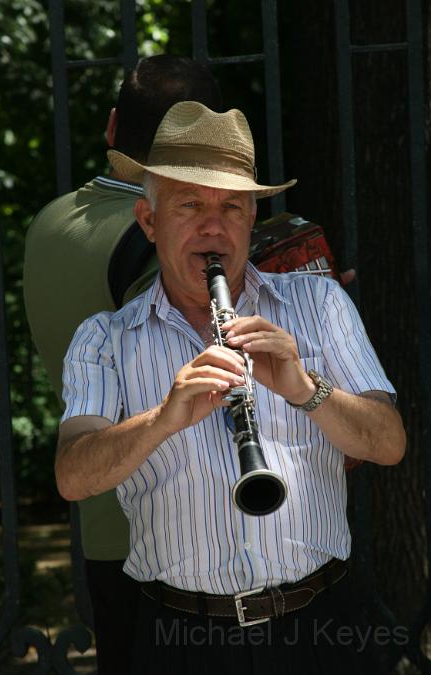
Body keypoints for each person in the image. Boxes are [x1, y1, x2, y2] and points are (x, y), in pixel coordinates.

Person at [55, 101, 406, 674]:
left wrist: (305, 389)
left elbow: (389, 444)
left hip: (322, 625)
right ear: (149, 221)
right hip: (181, 640)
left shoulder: (318, 305)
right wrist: (163, 418)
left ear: (250, 220)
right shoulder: (103, 340)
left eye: (233, 208)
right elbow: (72, 476)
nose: (213, 226)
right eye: (190, 204)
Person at [23, 56, 222, 675]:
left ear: (112, 128)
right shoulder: (154, 237)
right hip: (184, 539)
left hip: (103, 531)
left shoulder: (46, 224)